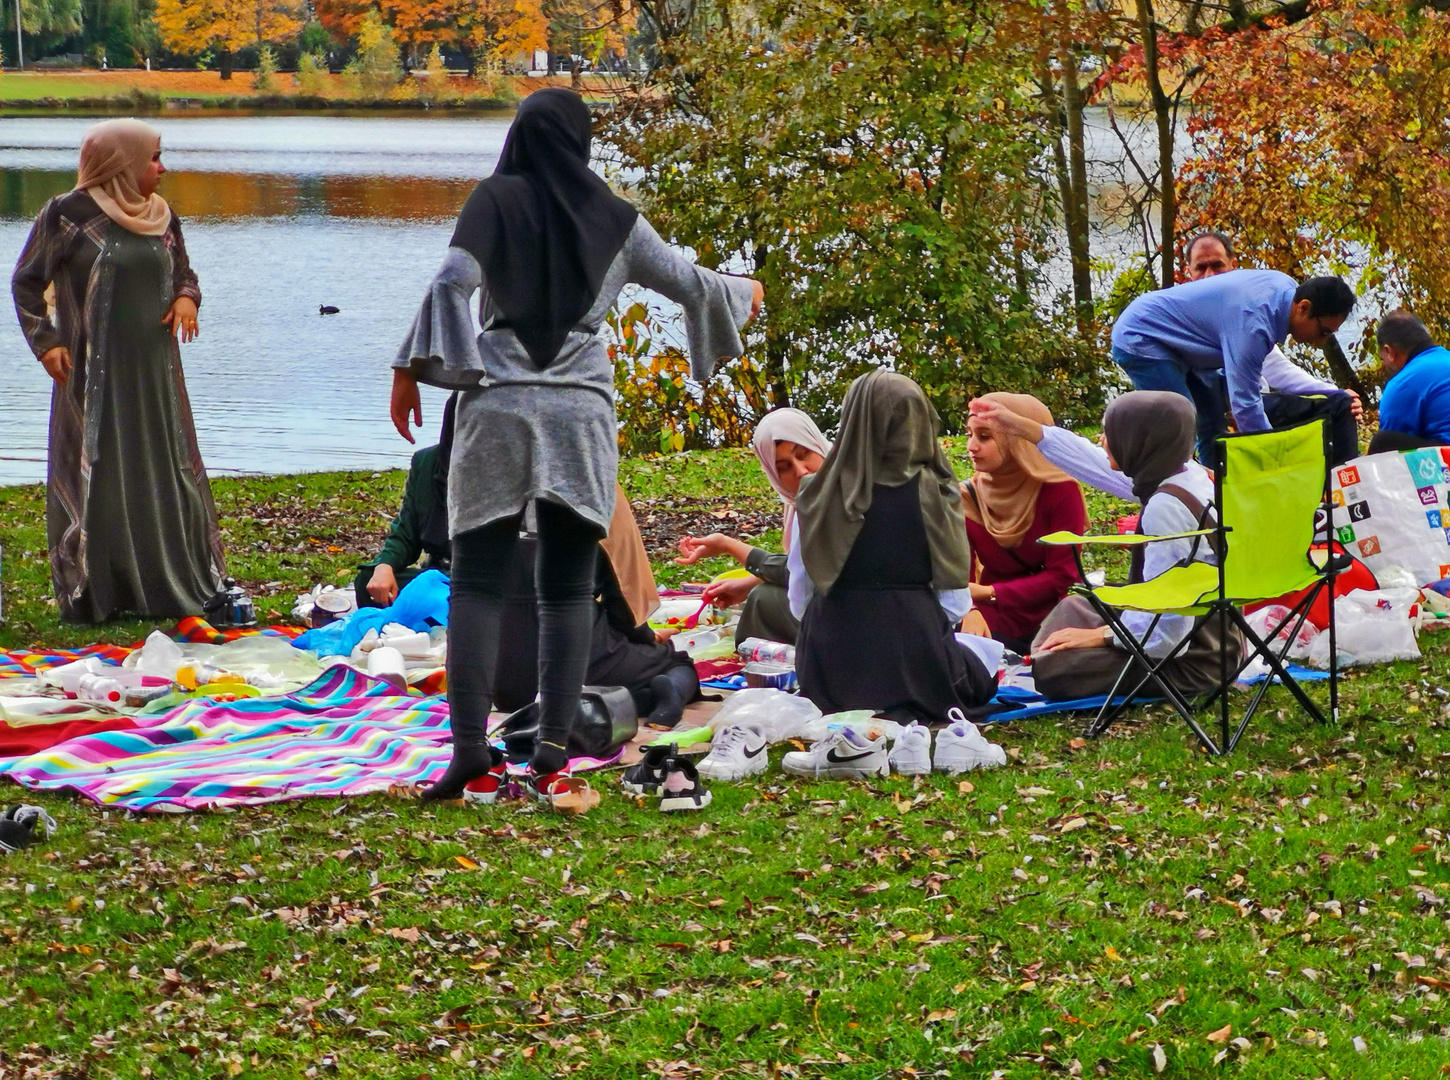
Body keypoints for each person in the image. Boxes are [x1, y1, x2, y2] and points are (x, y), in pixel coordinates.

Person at [392, 89, 762, 804]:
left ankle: (469, 751)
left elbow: (450, 283)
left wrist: (413, 369)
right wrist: (743, 293)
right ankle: (552, 756)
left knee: (475, 582)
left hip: (496, 405)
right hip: (578, 413)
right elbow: (688, 283)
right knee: (566, 586)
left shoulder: (493, 200)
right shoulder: (617, 218)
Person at [11, 118, 226, 624]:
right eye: (153, 157)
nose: (162, 167)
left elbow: (184, 274)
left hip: (154, 377)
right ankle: (102, 589)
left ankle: (169, 582)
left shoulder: (162, 216)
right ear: (120, 162)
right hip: (91, 375)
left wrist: (186, 298)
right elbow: (26, 282)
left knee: (166, 471)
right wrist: (46, 343)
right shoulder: (68, 213)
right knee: (102, 474)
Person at [969, 391, 1240, 702]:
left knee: (1056, 669)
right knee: (1075, 606)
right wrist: (1021, 426)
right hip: (1207, 633)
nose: (1102, 440)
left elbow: (1167, 633)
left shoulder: (1166, 509)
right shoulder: (1184, 474)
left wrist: (1099, 636)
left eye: (1111, 433)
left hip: (1195, 658)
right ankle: (1040, 657)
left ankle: (1036, 664)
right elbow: (1092, 463)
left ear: (1139, 441)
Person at [788, 371, 999, 726]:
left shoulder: (815, 492)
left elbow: (799, 596)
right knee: (982, 671)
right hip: (915, 661)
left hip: (827, 669)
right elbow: (954, 603)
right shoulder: (936, 491)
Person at [494, 485, 699, 729]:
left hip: (502, 680)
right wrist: (650, 636)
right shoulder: (596, 485)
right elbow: (625, 602)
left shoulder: (485, 479)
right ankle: (665, 698)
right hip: (572, 660)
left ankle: (636, 699)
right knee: (675, 662)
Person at [1112, 268, 1356, 465]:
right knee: (1180, 425)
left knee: (1211, 424)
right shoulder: (1254, 326)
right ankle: (1177, 496)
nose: (1322, 341)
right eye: (1323, 331)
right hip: (1143, 335)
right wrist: (1276, 458)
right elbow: (1246, 407)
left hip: (1189, 346)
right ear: (1303, 307)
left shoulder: (1285, 288)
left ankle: (1215, 495)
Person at [1182, 232, 1362, 464]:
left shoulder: (1246, 306)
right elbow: (1242, 404)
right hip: (1237, 406)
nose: (1210, 275)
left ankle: (1339, 484)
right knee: (1336, 407)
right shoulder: (1190, 313)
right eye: (1201, 268)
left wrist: (1334, 392)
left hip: (1258, 401)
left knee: (1339, 405)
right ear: (1189, 272)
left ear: (1233, 266)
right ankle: (1344, 485)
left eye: (1217, 266)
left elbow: (1277, 368)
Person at [674, 408, 831, 645]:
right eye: (783, 466)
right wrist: (752, 580)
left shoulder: (844, 492)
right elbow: (801, 568)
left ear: (817, 445)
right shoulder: (800, 501)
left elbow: (815, 571)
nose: (801, 471)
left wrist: (728, 545)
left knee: (763, 600)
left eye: (804, 454)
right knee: (763, 593)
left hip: (858, 617)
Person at [961, 393, 1088, 655]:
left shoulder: (1060, 491)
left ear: (1019, 441)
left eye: (984, 437)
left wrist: (989, 593)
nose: (971, 447)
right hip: (990, 617)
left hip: (1051, 619)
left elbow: (1063, 577)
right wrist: (970, 609)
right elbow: (961, 576)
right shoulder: (967, 496)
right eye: (969, 434)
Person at [356, 395, 456, 608]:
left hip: (492, 582)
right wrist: (385, 565)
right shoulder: (428, 463)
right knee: (369, 582)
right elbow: (405, 535)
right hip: (439, 578)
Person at [1370, 310, 1450, 453]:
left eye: (1383, 360)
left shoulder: (1402, 384)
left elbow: (1390, 453)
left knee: (1383, 442)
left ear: (1389, 351)